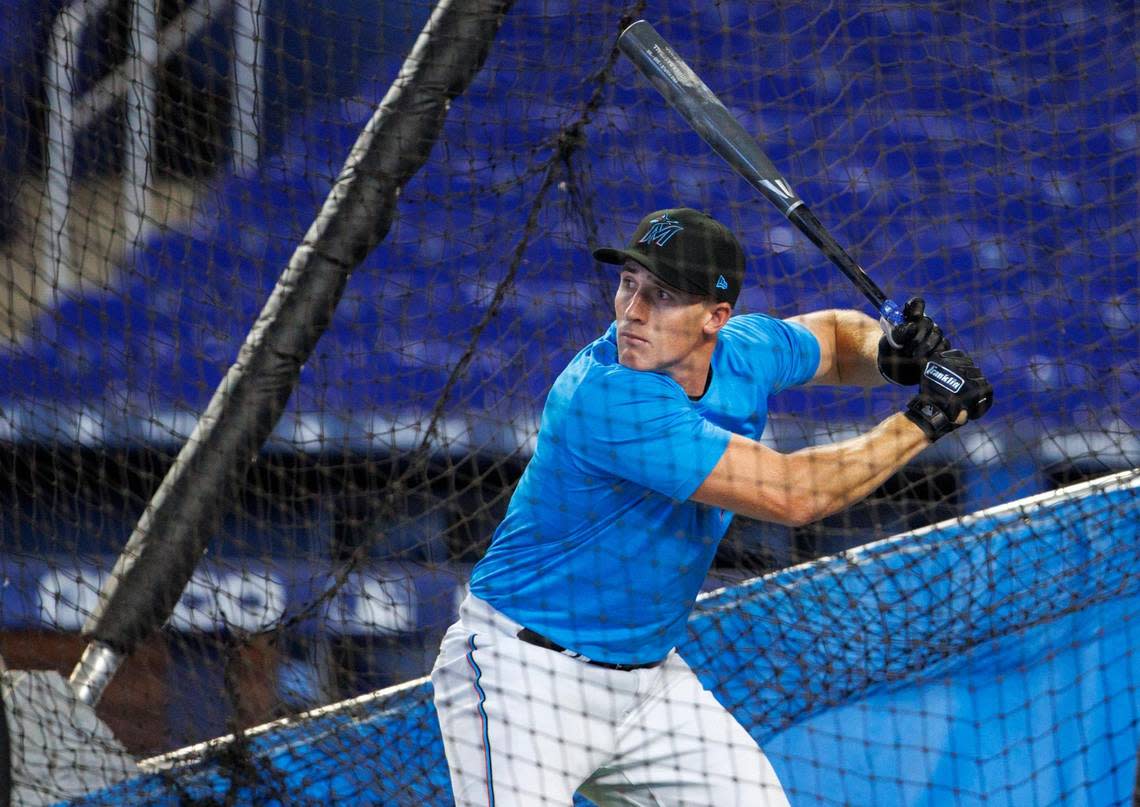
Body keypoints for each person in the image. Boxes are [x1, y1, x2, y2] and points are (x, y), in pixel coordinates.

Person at [431, 207, 992, 806]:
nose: (633, 312)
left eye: (663, 295)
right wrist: (928, 417)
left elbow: (832, 336)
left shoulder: (744, 350)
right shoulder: (608, 395)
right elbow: (793, 494)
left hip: (649, 683)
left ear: (716, 317)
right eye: (629, 284)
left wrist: (888, 354)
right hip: (524, 676)